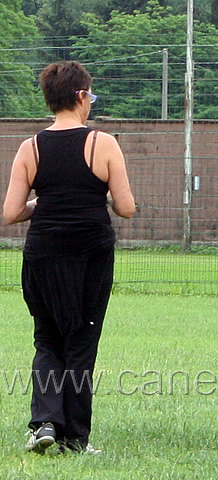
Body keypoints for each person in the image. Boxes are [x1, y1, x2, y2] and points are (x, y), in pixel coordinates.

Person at [2, 61, 136, 454]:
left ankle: (44, 423)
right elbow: (126, 208)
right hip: (90, 254)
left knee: (47, 339)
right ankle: (75, 438)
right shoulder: (103, 143)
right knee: (81, 341)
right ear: (80, 96)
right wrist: (99, 197)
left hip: (43, 254)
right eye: (90, 96)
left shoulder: (31, 148)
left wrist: (43, 202)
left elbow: (11, 213)